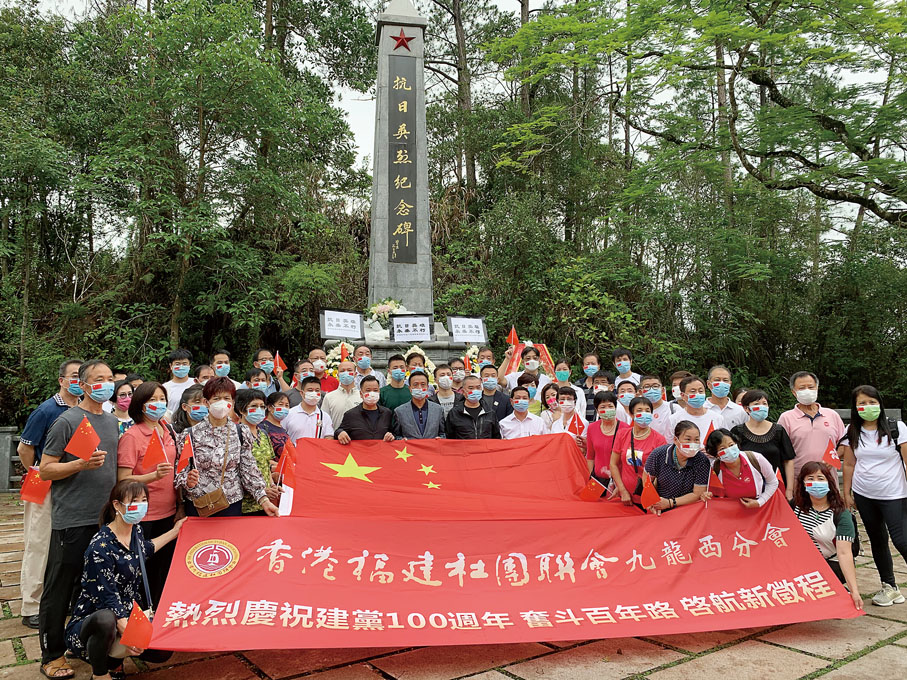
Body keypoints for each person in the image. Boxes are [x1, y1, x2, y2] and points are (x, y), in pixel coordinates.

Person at [38, 360, 119, 680]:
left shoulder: (112, 422)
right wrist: (80, 465)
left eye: (110, 378)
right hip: (72, 519)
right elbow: (46, 469)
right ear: (83, 385)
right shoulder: (67, 421)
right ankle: (51, 654)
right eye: (98, 379)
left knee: (91, 586)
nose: (106, 384)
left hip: (104, 520)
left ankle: (79, 642)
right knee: (60, 586)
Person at [64, 481, 182, 680]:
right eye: (134, 501)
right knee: (106, 619)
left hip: (128, 613)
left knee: (162, 651)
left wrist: (176, 531)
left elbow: (146, 549)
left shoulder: (135, 532)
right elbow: (106, 597)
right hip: (95, 620)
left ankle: (113, 660)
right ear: (117, 505)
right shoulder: (99, 547)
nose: (141, 505)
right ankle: (100, 673)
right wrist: (128, 633)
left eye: (144, 500)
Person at [17, 358, 82, 630]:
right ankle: (31, 604)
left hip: (72, 485)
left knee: (62, 542)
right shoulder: (46, 410)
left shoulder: (85, 409)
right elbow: (25, 449)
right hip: (43, 482)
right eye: (74, 376)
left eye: (82, 376)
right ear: (61, 380)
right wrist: (41, 472)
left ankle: (59, 596)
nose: (77, 382)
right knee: (39, 542)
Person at [839, 385, 907, 607]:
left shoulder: (897, 428)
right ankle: (890, 587)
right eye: (862, 403)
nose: (867, 407)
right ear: (855, 407)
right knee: (878, 541)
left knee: (902, 540)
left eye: (872, 402)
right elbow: (849, 463)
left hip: (895, 494)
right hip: (864, 494)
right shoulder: (852, 431)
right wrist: (846, 493)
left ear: (880, 403)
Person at [173, 377, 279, 518]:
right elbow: (179, 471)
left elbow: (249, 469)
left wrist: (264, 500)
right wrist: (188, 481)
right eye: (216, 398)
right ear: (206, 402)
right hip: (200, 504)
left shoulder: (241, 432)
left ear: (232, 402)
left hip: (232, 503)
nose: (222, 402)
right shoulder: (190, 435)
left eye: (226, 398)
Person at [116, 381, 179, 607]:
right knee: (144, 571)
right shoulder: (132, 436)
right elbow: (123, 479)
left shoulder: (168, 429)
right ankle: (142, 619)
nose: (158, 404)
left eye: (162, 399)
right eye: (152, 400)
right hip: (144, 513)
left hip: (169, 510)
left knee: (165, 570)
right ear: (141, 405)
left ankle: (160, 615)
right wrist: (151, 477)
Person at [792, 462, 863, 610]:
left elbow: (844, 553)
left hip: (831, 564)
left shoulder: (841, 514)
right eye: (810, 478)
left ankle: (841, 590)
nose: (815, 483)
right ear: (803, 484)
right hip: (802, 563)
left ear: (829, 483)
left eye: (820, 478)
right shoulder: (796, 506)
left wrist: (855, 591)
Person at [778, 371, 845, 477]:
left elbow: (844, 444)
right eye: (802, 388)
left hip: (828, 477)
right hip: (799, 478)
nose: (807, 391)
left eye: (810, 387)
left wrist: (833, 458)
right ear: (794, 392)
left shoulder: (832, 415)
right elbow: (781, 450)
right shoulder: (786, 418)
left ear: (817, 388)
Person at [731, 390, 796, 497]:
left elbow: (788, 461)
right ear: (746, 408)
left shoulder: (779, 431)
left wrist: (789, 490)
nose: (761, 407)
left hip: (776, 488)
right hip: (748, 488)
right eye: (756, 404)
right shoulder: (737, 431)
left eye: (764, 404)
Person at [643, 421, 711, 514]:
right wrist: (651, 500)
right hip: (660, 508)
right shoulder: (658, 454)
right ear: (675, 440)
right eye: (688, 439)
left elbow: (697, 494)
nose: (693, 443)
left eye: (696, 440)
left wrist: (670, 503)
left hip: (688, 512)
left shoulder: (702, 461)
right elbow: (647, 481)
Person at [610, 396, 667, 507]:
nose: (644, 414)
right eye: (639, 411)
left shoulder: (659, 440)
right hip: (626, 497)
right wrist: (622, 489)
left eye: (647, 411)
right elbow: (613, 464)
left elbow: (661, 472)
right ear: (631, 415)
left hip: (648, 498)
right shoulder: (622, 434)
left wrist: (650, 495)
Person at [705, 428, 778, 507]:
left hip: (758, 510)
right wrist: (706, 494)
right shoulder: (715, 468)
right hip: (731, 513)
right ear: (716, 454)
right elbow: (712, 492)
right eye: (722, 449)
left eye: (731, 445)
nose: (729, 450)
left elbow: (773, 482)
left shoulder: (756, 458)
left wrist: (760, 502)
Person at [235, 389, 281, 515]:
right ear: (241, 410)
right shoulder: (235, 434)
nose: (259, 410)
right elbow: (235, 470)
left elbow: (266, 465)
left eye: (262, 406)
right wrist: (261, 491)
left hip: (266, 504)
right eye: (254, 406)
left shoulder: (263, 434)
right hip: (244, 505)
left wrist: (272, 486)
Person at [667, 375, 723, 448]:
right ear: (683, 395)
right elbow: (670, 445)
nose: (697, 394)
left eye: (700, 391)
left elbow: (722, 443)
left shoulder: (717, 418)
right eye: (693, 391)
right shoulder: (674, 419)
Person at [336, 376, 396, 442]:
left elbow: (394, 433)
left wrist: (391, 436)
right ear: (361, 394)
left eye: (375, 390)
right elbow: (338, 431)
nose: (372, 394)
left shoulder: (387, 413)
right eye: (368, 390)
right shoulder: (350, 415)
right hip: (359, 451)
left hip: (380, 451)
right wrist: (340, 432)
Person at [586, 391, 625, 481]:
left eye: (610, 406)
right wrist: (592, 477)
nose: (607, 409)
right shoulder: (592, 427)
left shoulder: (625, 429)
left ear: (615, 408)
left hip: (619, 480)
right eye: (603, 407)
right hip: (598, 479)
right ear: (597, 411)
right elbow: (590, 456)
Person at [394, 371, 446, 439]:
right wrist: (401, 440)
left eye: (423, 384)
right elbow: (396, 435)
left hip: (432, 448)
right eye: (415, 384)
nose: (419, 387)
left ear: (427, 387)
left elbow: (443, 433)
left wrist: (440, 439)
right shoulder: (399, 411)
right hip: (410, 449)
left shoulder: (438, 410)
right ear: (410, 388)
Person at [283, 376, 335, 443]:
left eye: (317, 390)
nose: (314, 393)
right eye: (310, 390)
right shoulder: (289, 414)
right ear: (302, 393)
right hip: (295, 452)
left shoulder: (325, 416)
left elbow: (329, 438)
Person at [322, 360, 362, 426]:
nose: (346, 373)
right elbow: (324, 421)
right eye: (342, 371)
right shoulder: (329, 397)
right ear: (338, 375)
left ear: (355, 374)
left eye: (349, 370)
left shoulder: (361, 396)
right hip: (335, 435)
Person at [638, 374, 672, 440]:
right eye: (647, 387)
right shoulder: (636, 410)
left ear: (662, 390)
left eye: (655, 386)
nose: (651, 390)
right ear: (640, 392)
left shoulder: (673, 408)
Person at [261, 391, 291, 459]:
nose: (284, 408)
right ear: (269, 407)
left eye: (287, 405)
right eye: (280, 404)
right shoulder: (262, 427)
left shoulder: (283, 430)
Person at [162, 348, 193, 414]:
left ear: (190, 365)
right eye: (177, 364)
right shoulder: (165, 388)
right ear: (171, 366)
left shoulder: (196, 383)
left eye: (184, 364)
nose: (181, 367)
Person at [575, 353, 602, 422]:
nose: (590, 366)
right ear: (583, 366)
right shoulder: (578, 385)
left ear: (599, 366)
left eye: (593, 364)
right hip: (581, 424)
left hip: (599, 424)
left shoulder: (604, 384)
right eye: (587, 364)